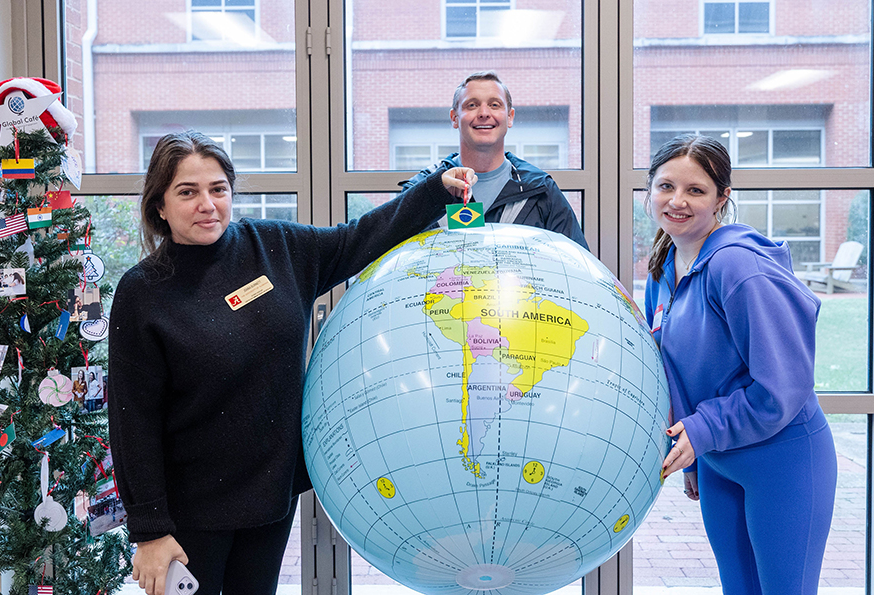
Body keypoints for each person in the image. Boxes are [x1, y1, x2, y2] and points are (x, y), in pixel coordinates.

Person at [107, 130, 473, 595]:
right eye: (187, 192)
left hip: (270, 500)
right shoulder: (143, 291)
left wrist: (434, 192)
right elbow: (131, 420)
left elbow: (359, 239)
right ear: (159, 206)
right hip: (190, 515)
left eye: (218, 189)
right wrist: (149, 530)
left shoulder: (275, 247)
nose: (207, 204)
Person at [644, 134, 837, 595]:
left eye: (696, 190)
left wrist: (704, 432)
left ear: (722, 197)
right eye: (666, 186)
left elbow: (782, 389)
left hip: (784, 458)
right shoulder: (664, 264)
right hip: (719, 463)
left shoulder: (739, 268)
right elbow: (676, 371)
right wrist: (694, 460)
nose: (677, 201)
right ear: (649, 189)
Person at [400, 71, 588, 249]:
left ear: (510, 117)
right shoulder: (423, 189)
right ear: (454, 118)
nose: (484, 113)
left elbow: (577, 266)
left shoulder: (541, 191)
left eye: (494, 105)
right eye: (471, 105)